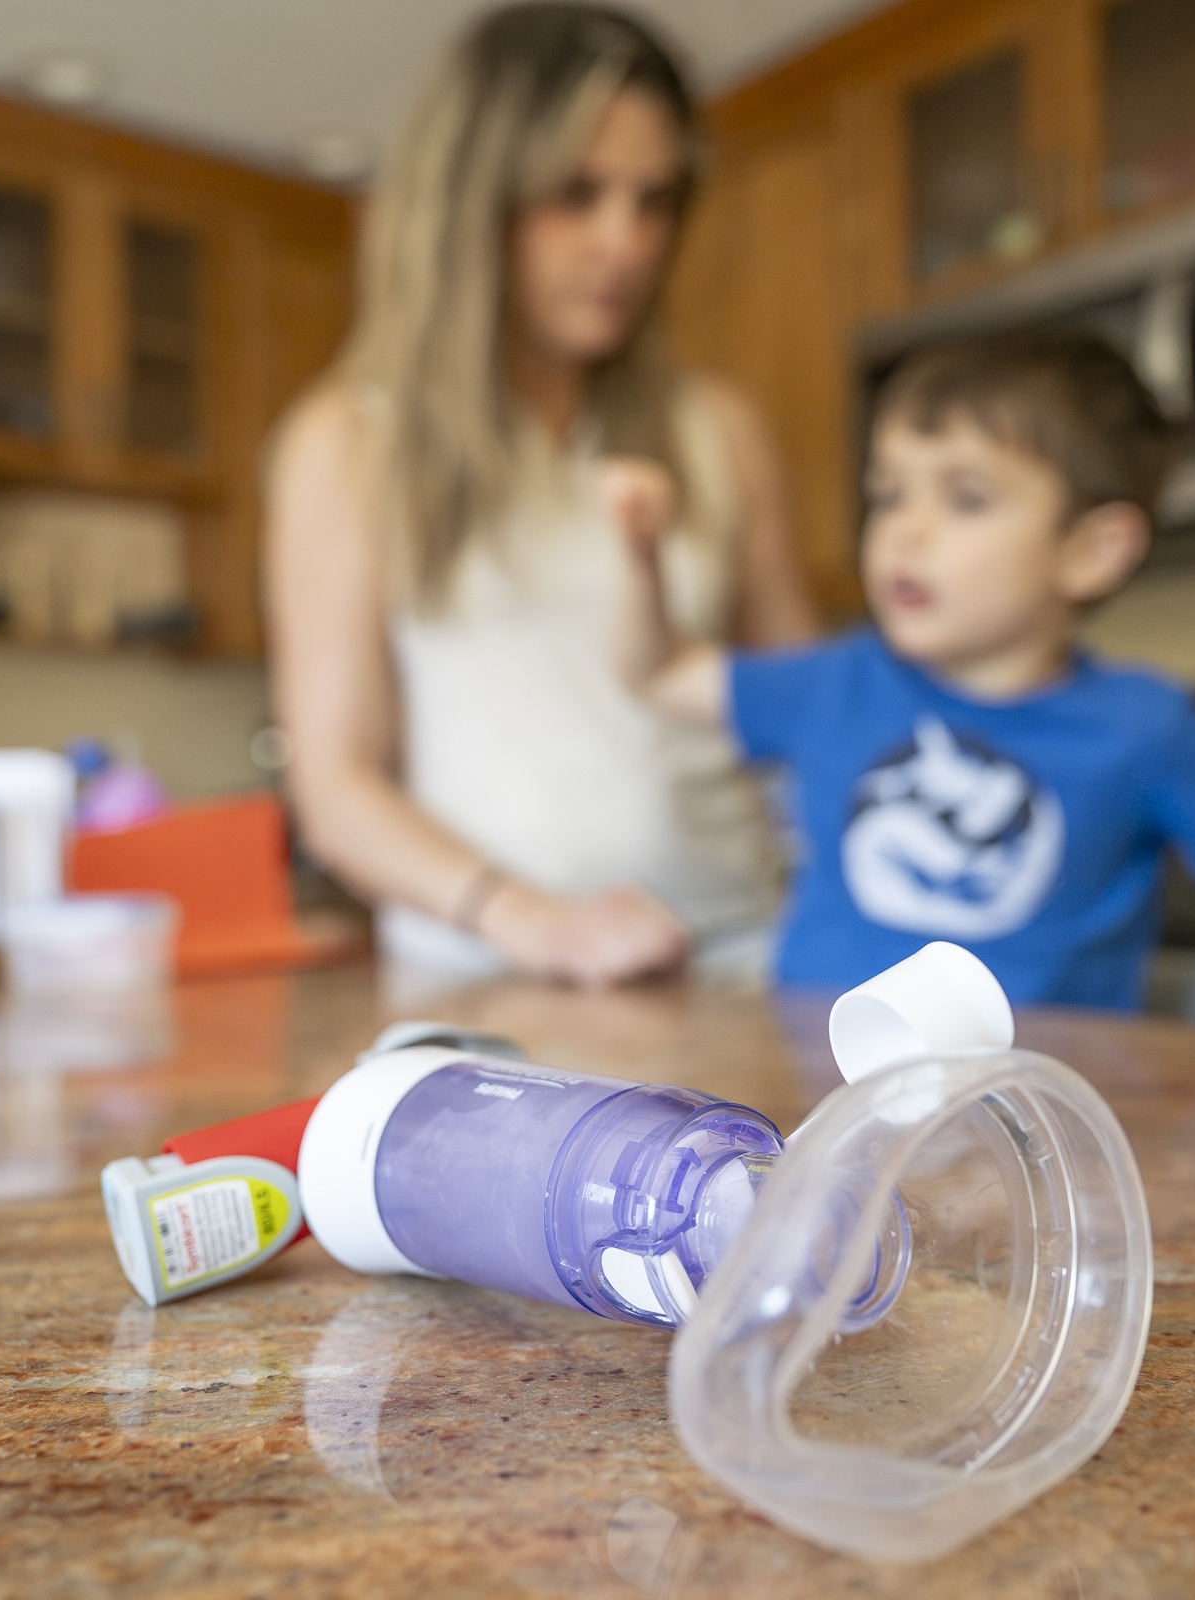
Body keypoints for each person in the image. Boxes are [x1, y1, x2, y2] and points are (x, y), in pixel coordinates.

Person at [264, 4, 818, 986]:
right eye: (577, 194)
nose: (626, 242)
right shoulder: (348, 442)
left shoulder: (719, 431)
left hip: (737, 962)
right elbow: (337, 787)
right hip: (484, 976)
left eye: (654, 201)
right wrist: (534, 921)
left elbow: (812, 716)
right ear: (473, 203)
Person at [612, 329, 1195, 1038]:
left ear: (1091, 551)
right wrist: (639, 557)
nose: (905, 530)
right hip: (812, 1112)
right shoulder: (831, 685)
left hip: (1035, 1133)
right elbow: (659, 672)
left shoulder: (1144, 727)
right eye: (889, 493)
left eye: (964, 499)